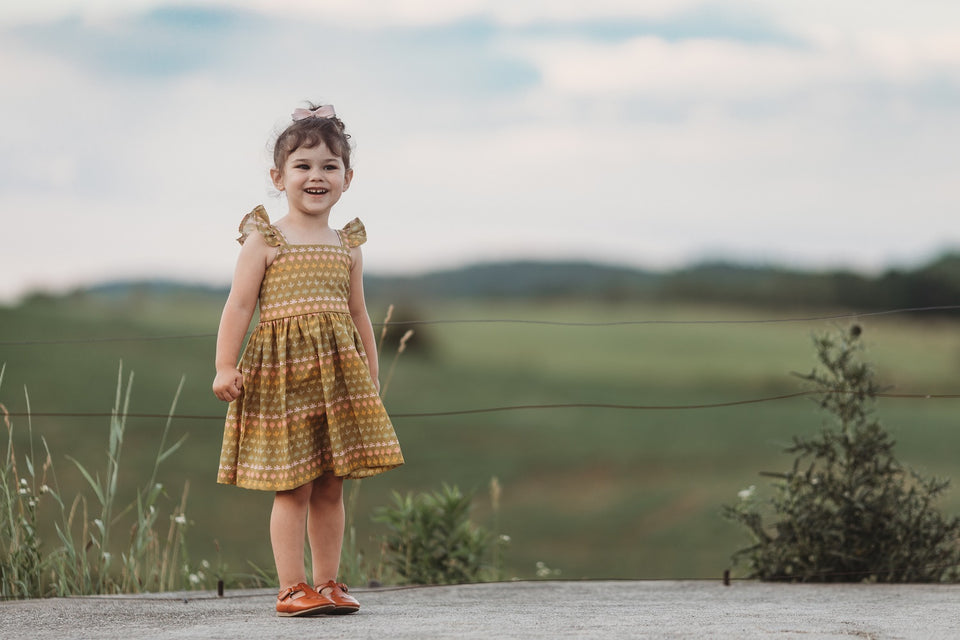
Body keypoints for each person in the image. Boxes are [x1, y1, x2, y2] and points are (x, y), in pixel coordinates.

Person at [212, 103, 404, 617]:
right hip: (282, 381)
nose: (316, 176)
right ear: (279, 176)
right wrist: (225, 366)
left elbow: (358, 312)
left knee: (330, 484)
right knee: (292, 485)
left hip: (337, 381)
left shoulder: (348, 245)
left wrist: (370, 369)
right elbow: (239, 305)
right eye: (303, 166)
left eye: (328, 167)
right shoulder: (265, 239)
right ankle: (292, 587)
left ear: (348, 177)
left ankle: (329, 582)